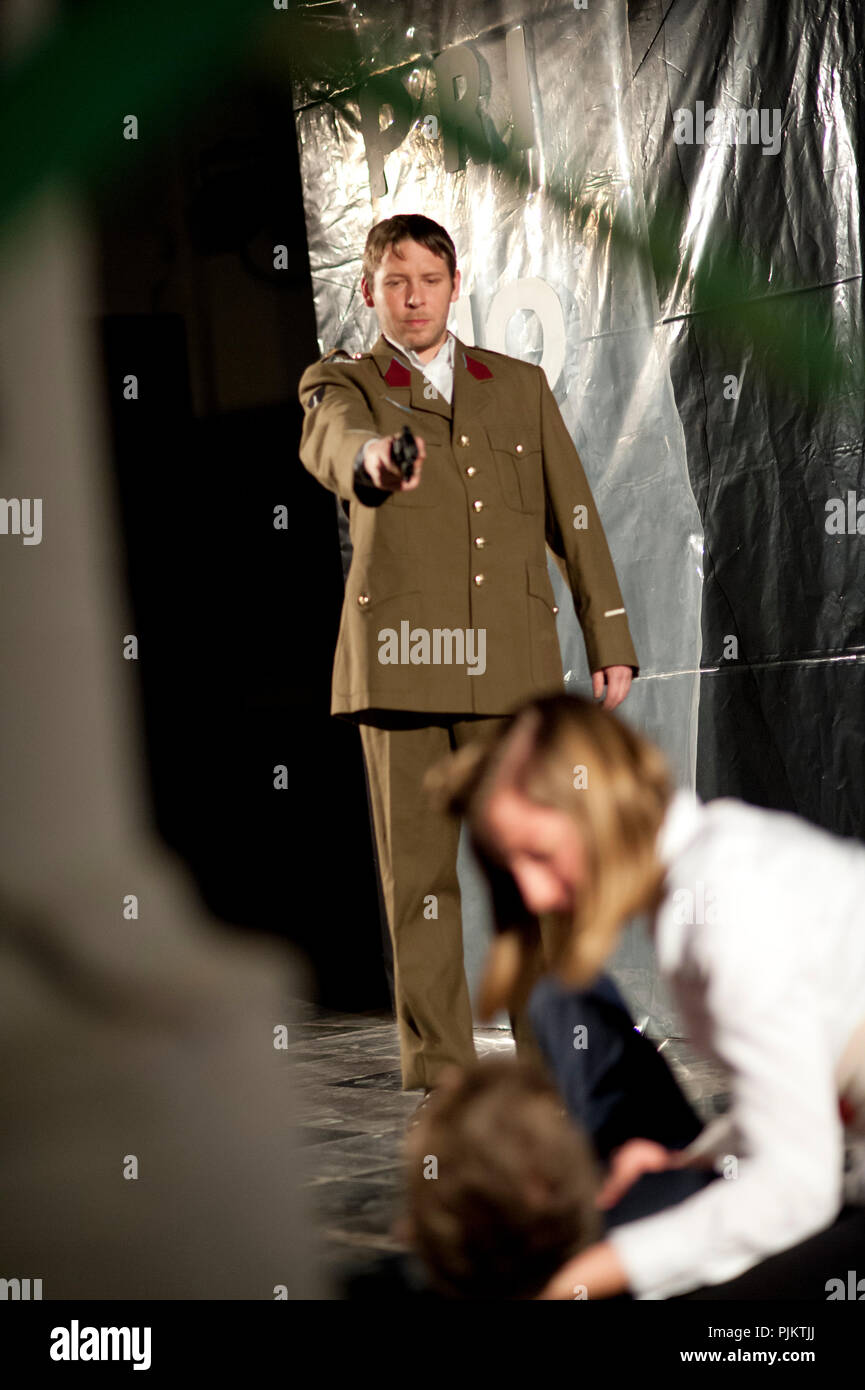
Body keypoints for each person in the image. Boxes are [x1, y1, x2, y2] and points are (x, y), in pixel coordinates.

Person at [298, 213, 638, 1094]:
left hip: (508, 667)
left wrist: (609, 636)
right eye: (395, 280)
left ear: (456, 286)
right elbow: (334, 444)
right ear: (368, 289)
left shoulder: (517, 386)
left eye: (430, 279)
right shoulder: (342, 382)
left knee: (530, 879)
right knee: (419, 886)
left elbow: (574, 517)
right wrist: (372, 458)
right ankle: (444, 1074)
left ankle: (547, 1062)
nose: (413, 297)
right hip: (400, 666)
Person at [421, 691, 865, 1298]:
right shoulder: (705, 870)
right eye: (511, 867)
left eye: (540, 855)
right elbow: (795, 1100)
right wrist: (696, 1159)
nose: (534, 894)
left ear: (599, 808)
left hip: (825, 1196)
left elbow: (798, 1186)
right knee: (563, 1003)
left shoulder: (723, 901)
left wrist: (592, 1274)